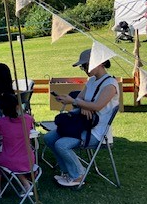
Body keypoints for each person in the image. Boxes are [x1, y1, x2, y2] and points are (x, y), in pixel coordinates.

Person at [44, 49, 119, 187]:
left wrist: (79, 103)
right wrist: (83, 105)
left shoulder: (110, 84)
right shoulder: (91, 81)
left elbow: (97, 106)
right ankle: (67, 171)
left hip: (97, 132)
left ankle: (78, 174)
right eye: (82, 66)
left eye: (85, 65)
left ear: (100, 63)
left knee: (61, 145)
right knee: (49, 138)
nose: (84, 69)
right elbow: (79, 98)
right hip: (83, 125)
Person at [0, 93, 36, 199]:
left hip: (11, 160)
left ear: (2, 109)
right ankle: (26, 184)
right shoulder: (28, 118)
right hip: (29, 159)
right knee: (15, 164)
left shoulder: (2, 121)